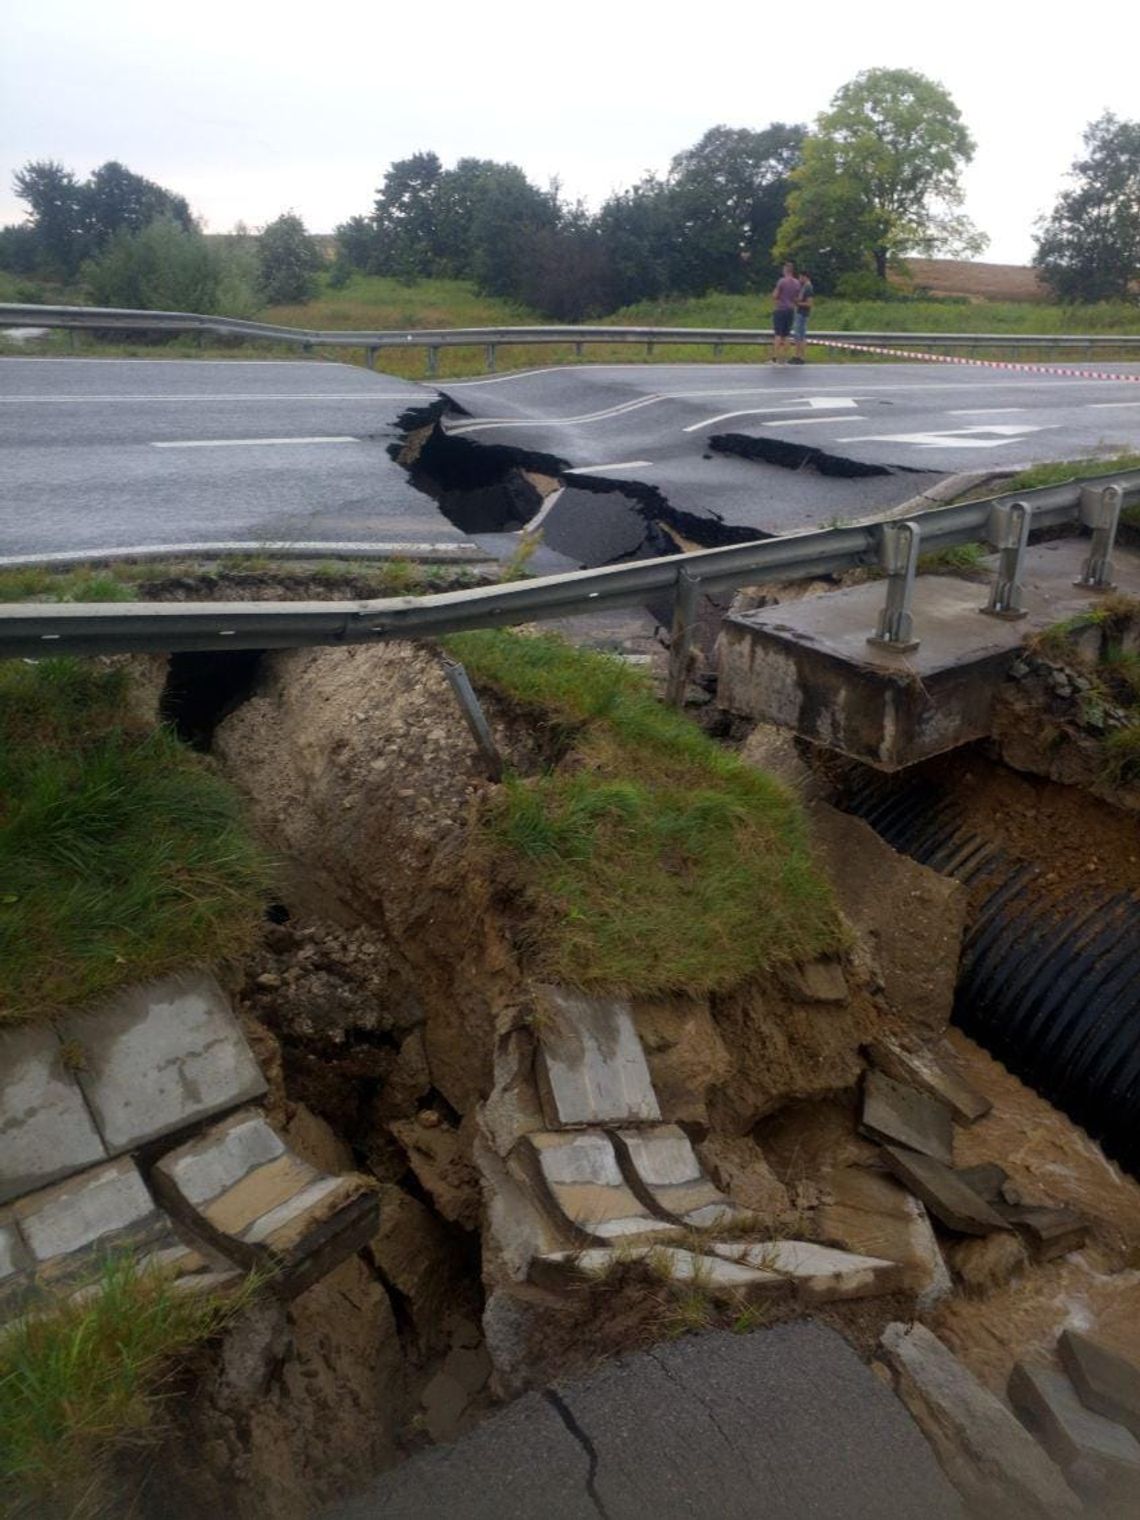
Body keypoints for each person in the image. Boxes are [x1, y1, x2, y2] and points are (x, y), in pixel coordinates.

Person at [771, 262, 800, 363]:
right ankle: (785, 357)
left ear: (785, 270)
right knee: (787, 335)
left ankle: (775, 357)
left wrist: (776, 296)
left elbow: (775, 295)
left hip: (781, 309)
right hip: (791, 310)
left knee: (778, 334)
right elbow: (797, 298)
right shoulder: (797, 282)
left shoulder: (782, 281)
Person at [790, 270, 814, 365]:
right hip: (801, 313)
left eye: (800, 277)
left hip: (802, 314)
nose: (799, 279)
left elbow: (809, 303)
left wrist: (797, 303)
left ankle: (799, 356)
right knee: (799, 335)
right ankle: (799, 356)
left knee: (799, 336)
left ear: (805, 277)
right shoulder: (805, 287)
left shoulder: (808, 288)